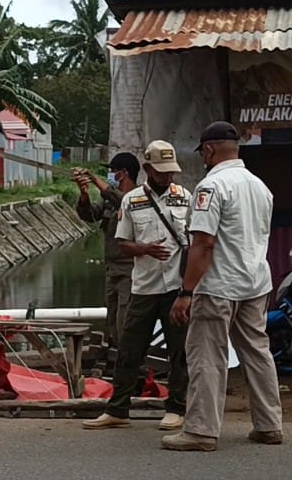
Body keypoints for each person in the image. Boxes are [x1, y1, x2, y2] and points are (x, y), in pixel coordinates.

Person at [164, 122, 282, 452]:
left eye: (203, 152)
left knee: (206, 355)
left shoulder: (212, 186)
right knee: (258, 352)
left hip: (218, 286)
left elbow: (203, 244)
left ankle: (201, 430)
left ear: (210, 150)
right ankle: (269, 424)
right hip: (255, 282)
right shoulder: (260, 187)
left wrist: (186, 292)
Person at [83, 140, 191, 432]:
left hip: (176, 288)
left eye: (170, 172)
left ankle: (177, 408)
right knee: (129, 349)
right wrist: (143, 249)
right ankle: (118, 409)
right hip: (143, 287)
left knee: (179, 351)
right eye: (161, 172)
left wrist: (190, 290)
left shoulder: (185, 197)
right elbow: (122, 243)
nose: (167, 177)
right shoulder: (131, 201)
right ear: (147, 169)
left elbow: (196, 243)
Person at [74, 153, 139, 348]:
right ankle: (117, 355)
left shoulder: (137, 198)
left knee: (125, 320)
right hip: (112, 270)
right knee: (112, 319)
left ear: (123, 174)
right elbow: (91, 215)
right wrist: (84, 194)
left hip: (130, 271)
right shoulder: (111, 201)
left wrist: (94, 179)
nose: (110, 175)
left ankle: (128, 360)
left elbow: (123, 200)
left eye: (112, 172)